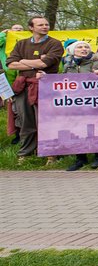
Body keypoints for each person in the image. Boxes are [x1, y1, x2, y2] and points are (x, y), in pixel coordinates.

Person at [6, 17, 64, 162]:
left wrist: (23, 61)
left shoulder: (54, 44)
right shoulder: (21, 44)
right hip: (23, 87)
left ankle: (51, 154)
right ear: (31, 27)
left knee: (45, 121)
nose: (45, 27)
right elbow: (11, 64)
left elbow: (45, 63)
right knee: (25, 121)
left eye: (46, 24)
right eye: (40, 25)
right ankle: (25, 153)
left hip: (45, 87)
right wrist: (35, 64)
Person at [63, 41, 98, 171]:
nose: (84, 49)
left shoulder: (97, 63)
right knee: (77, 130)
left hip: (94, 103)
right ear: (72, 51)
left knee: (96, 129)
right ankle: (80, 158)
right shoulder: (68, 65)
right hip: (75, 103)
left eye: (86, 47)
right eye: (80, 47)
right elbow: (62, 82)